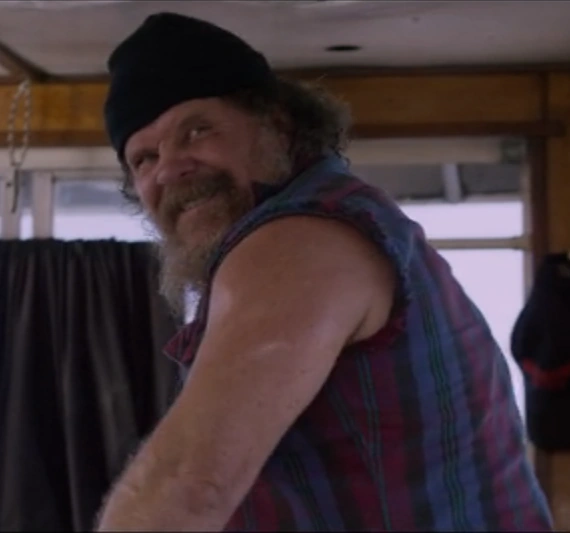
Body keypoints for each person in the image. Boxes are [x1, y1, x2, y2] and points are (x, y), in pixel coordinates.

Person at [96, 11, 553, 532]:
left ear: (276, 124)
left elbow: (188, 486)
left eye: (197, 131)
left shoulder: (299, 240)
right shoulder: (345, 222)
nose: (170, 169)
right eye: (144, 158)